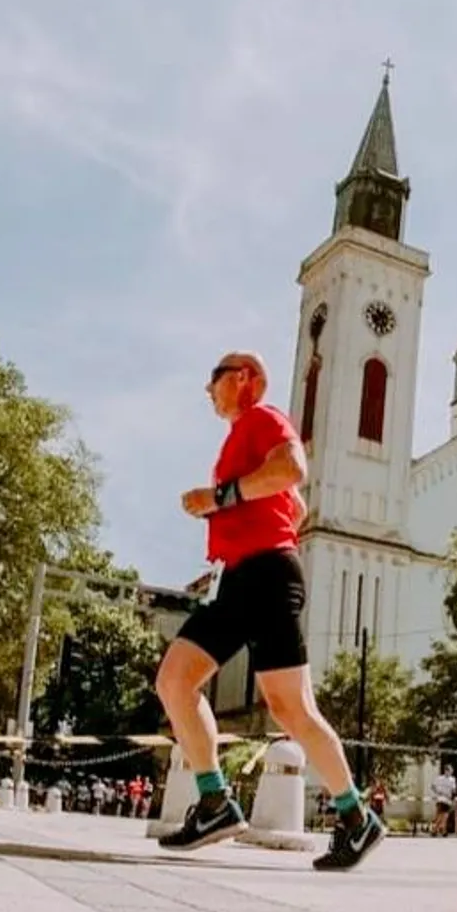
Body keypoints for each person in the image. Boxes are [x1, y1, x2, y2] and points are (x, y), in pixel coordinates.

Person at [153, 350, 385, 871]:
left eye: (212, 380)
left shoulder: (262, 417)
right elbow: (295, 504)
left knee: (291, 709)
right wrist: (253, 507)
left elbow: (293, 468)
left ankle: (356, 817)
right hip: (245, 577)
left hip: (267, 575)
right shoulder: (240, 436)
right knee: (176, 681)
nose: (207, 391)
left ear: (242, 379)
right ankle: (216, 802)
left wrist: (220, 497)